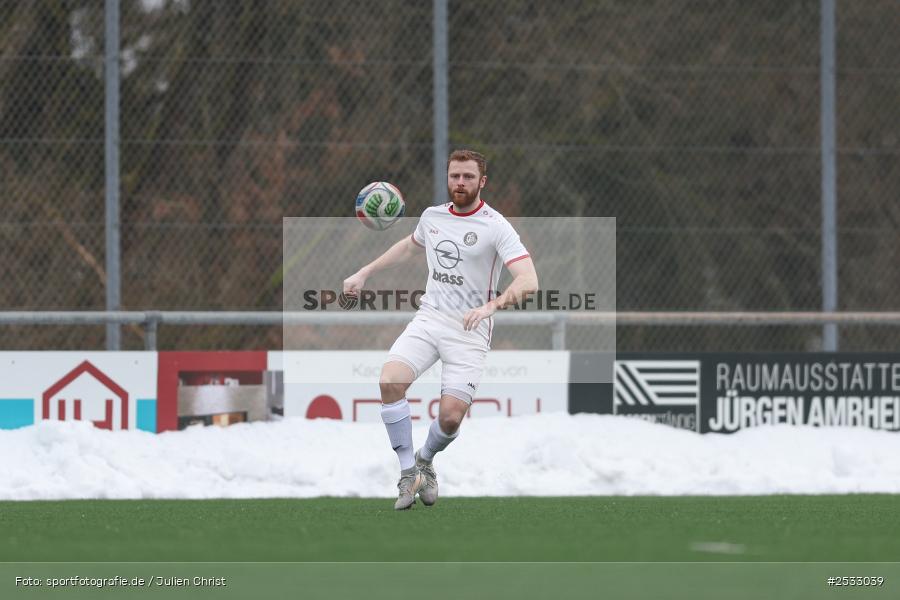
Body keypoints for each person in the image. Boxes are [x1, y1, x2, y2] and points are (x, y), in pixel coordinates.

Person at [343, 149, 538, 509]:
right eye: (454, 176)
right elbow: (408, 247)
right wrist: (364, 272)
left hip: (470, 329)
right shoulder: (433, 217)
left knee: (449, 419)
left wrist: (490, 306)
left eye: (467, 177)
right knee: (390, 381)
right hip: (430, 318)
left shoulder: (496, 226)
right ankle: (407, 473)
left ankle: (425, 461)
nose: (459, 183)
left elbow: (529, 280)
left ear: (482, 182)